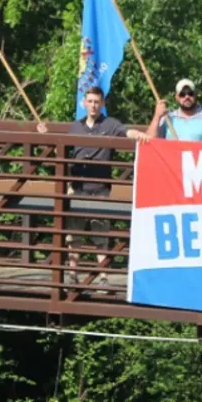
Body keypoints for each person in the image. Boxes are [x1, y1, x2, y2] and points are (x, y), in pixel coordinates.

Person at [67, 86, 149, 288]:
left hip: (100, 189)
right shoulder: (75, 127)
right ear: (84, 103)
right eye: (90, 101)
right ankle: (72, 274)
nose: (93, 105)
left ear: (102, 104)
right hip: (78, 188)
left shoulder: (109, 124)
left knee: (101, 236)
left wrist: (138, 134)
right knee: (73, 236)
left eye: (97, 101)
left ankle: (103, 277)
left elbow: (125, 131)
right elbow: (63, 152)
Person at [146, 78, 202, 142]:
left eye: (190, 93)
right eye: (182, 94)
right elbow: (149, 140)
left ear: (195, 95)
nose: (187, 97)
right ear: (177, 97)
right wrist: (157, 116)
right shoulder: (168, 118)